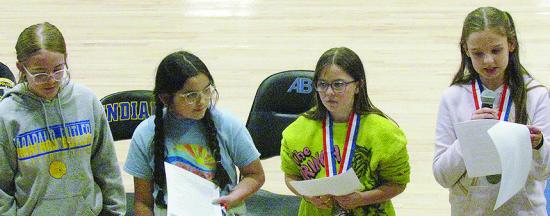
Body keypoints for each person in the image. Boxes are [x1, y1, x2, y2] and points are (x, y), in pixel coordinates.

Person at [433, 7, 550, 215]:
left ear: (511, 45)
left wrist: (539, 145)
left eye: (496, 50)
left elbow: (545, 171)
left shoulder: (536, 95)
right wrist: (468, 138)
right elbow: (442, 176)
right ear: (466, 50)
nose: (488, 60)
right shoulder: (453, 97)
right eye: (478, 53)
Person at [0, 22, 126, 215]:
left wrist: (115, 211)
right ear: (21, 68)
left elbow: (107, 167)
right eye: (40, 73)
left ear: (66, 59)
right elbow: (2, 189)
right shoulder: (6, 115)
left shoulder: (87, 101)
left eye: (58, 69)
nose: (51, 79)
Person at [124, 50, 265, 216]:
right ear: (165, 99)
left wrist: (233, 197)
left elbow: (255, 175)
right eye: (191, 95)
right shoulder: (145, 134)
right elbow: (143, 202)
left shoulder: (228, 125)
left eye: (207, 90)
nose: (203, 101)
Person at [280, 47, 410, 215]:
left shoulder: (386, 133)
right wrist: (306, 194)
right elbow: (291, 176)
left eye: (338, 85)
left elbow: (398, 184)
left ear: (358, 85)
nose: (329, 93)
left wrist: (363, 198)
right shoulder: (296, 131)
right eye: (322, 84)